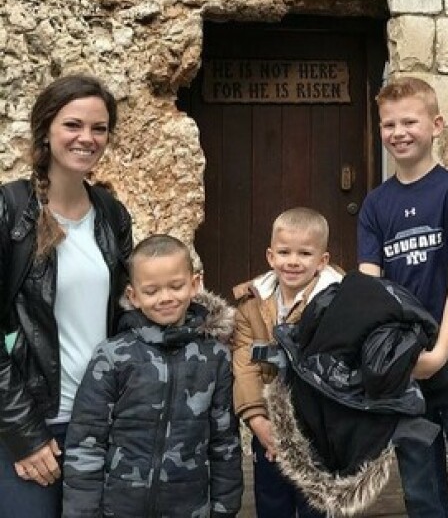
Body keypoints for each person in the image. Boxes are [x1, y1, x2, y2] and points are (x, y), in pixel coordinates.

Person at [358, 77, 448, 518]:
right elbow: (371, 290)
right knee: (422, 490)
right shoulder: (374, 205)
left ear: (437, 125)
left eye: (409, 121)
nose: (398, 132)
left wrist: (440, 351)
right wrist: (397, 358)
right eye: (389, 124)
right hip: (404, 369)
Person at [0, 74, 133, 518]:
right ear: (46, 130)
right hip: (31, 420)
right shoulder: (10, 210)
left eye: (99, 128)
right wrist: (25, 433)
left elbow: (129, 315)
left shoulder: (111, 215)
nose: (87, 138)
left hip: (101, 420)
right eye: (73, 125)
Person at [62, 234, 243, 518]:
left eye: (176, 286)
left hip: (190, 507)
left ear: (195, 284)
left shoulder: (215, 357)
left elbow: (225, 443)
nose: (165, 298)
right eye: (151, 291)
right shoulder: (112, 356)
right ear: (133, 296)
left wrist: (225, 508)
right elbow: (87, 440)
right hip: (120, 508)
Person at [231, 207, 342, 518]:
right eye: (284, 252)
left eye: (305, 253)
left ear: (322, 261)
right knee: (272, 502)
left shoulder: (337, 302)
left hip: (319, 432)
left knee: (316, 507)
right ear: (270, 256)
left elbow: (336, 369)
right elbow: (245, 364)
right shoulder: (251, 306)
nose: (293, 261)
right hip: (269, 427)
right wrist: (258, 421)